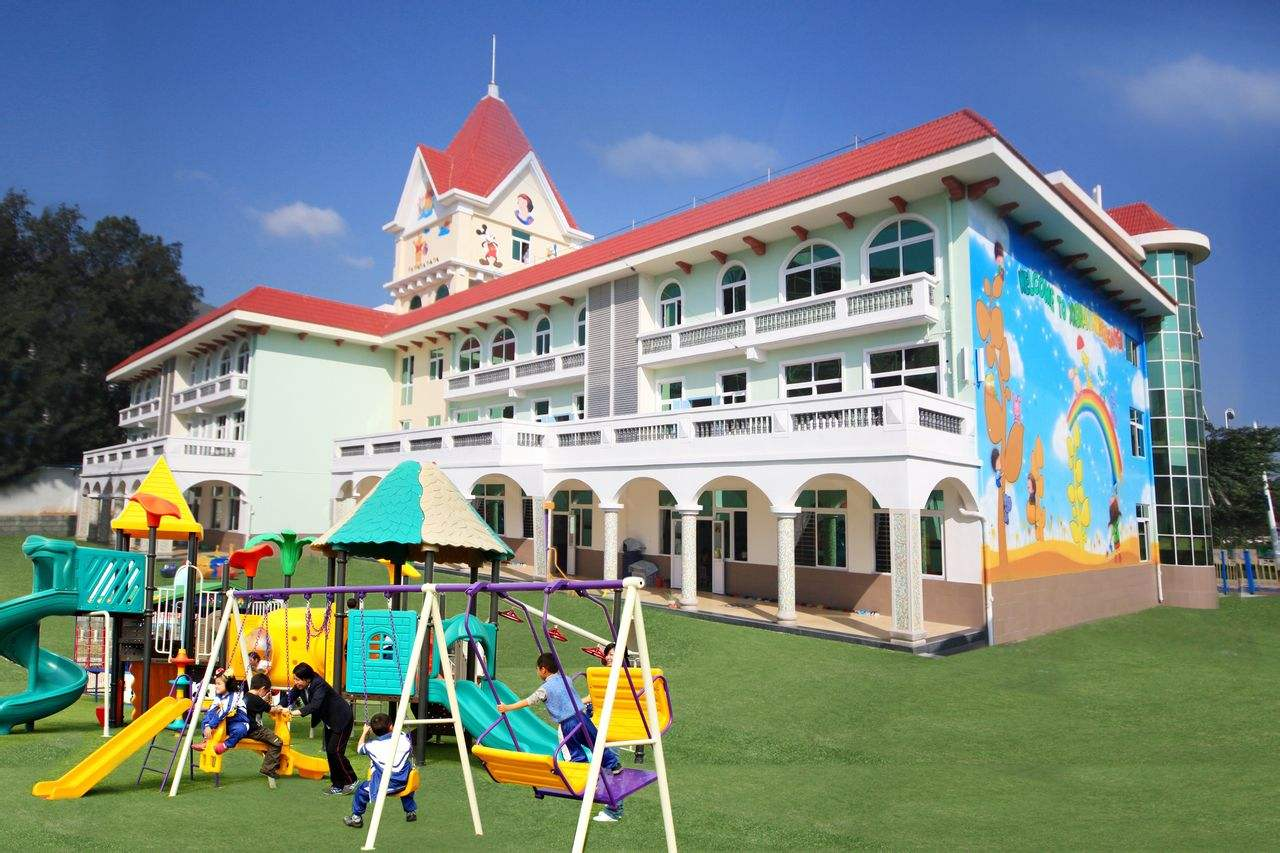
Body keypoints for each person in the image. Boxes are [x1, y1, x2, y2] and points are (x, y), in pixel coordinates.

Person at [497, 652, 624, 823]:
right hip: (582, 717)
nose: (537, 672)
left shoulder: (544, 689)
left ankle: (586, 779)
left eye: (538, 669)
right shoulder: (566, 679)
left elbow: (528, 701)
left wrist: (507, 707)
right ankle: (614, 765)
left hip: (568, 724)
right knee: (595, 743)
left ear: (543, 670)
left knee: (573, 753)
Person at [280, 662, 356, 794]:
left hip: (341, 718)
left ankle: (351, 780)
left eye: (298, 679)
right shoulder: (301, 685)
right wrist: (279, 706)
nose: (295, 682)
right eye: (295, 679)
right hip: (329, 720)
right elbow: (290, 697)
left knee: (335, 751)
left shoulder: (319, 684)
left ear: (307, 679)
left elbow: (314, 705)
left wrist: (293, 712)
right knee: (330, 752)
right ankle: (337, 784)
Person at [343, 713, 417, 828]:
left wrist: (364, 732)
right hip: (406, 783)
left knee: (361, 790)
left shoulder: (372, 746)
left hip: (386, 786)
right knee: (403, 769)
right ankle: (410, 811)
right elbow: (398, 733)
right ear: (391, 727)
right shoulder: (403, 739)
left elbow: (359, 748)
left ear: (372, 730)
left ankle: (356, 818)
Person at [243, 673, 284, 788]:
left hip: (245, 728)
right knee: (277, 742)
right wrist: (280, 708)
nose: (266, 693)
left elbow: (259, 704)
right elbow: (272, 710)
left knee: (269, 741)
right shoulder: (257, 700)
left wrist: (264, 700)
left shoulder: (247, 696)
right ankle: (268, 768)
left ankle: (272, 761)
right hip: (254, 730)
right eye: (266, 691)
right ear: (262, 688)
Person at [196, 670, 249, 754]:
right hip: (224, 723)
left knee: (240, 729)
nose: (216, 686)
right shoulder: (218, 697)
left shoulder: (234, 696)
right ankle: (206, 741)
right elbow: (212, 710)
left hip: (237, 722)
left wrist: (211, 726)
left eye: (219, 684)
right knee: (207, 717)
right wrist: (207, 725)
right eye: (215, 684)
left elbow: (225, 710)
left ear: (228, 684)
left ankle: (226, 745)